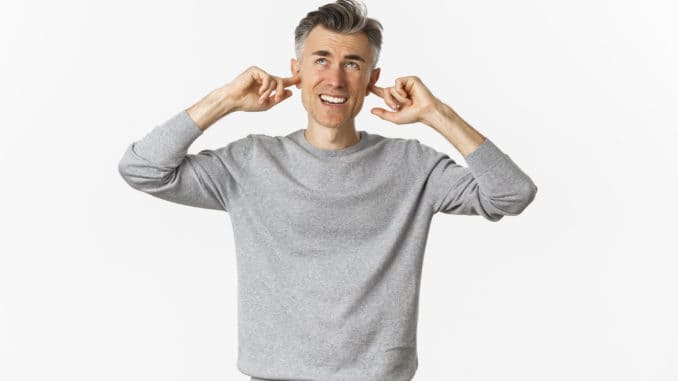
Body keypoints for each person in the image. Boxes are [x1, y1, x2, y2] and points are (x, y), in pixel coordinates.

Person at [118, 0, 538, 380]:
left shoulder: (412, 166)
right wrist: (225, 99)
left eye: (352, 64)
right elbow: (143, 169)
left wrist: (437, 114)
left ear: (372, 78)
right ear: (296, 71)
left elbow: (511, 194)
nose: (335, 79)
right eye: (321, 60)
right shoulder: (249, 163)